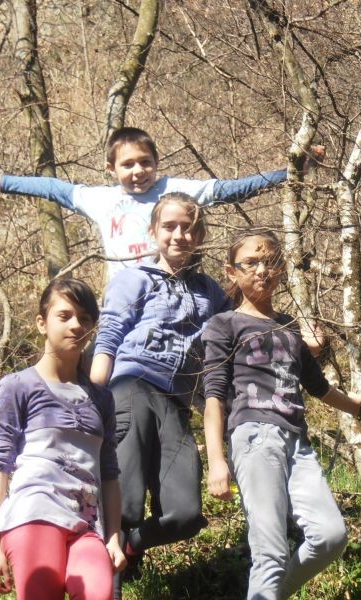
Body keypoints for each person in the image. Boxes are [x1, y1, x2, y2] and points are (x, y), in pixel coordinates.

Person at [201, 229, 361, 600]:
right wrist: (216, 461)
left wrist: (355, 406)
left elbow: (317, 386)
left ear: (281, 268)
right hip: (253, 436)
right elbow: (213, 397)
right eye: (251, 263)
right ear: (231, 272)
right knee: (271, 553)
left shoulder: (290, 326)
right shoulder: (224, 324)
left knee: (330, 536)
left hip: (297, 440)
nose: (262, 270)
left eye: (270, 261)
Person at [89, 193, 230, 595]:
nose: (179, 235)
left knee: (186, 514)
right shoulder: (135, 279)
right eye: (169, 226)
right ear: (154, 231)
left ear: (200, 235)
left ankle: (131, 548)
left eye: (188, 227)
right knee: (126, 504)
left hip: (177, 403)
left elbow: (240, 326)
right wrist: (92, 400)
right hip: (130, 388)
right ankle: (104, 582)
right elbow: (109, 337)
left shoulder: (210, 292)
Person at [0, 127, 325, 279]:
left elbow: (232, 190)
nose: (138, 171)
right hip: (125, 296)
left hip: (172, 286)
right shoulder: (101, 199)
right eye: (128, 165)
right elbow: (52, 188)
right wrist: (1, 183)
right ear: (111, 169)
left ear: (157, 162)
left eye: (145, 162)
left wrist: (292, 170)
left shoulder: (176, 189)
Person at [0, 279, 125, 600]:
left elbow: (109, 474)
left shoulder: (101, 398)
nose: (76, 325)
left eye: (85, 319)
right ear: (41, 323)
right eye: (64, 316)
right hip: (33, 517)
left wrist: (113, 537)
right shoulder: (18, 387)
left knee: (99, 593)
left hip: (86, 526)